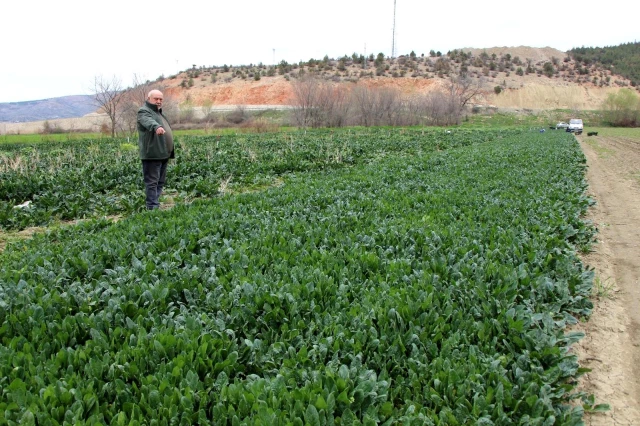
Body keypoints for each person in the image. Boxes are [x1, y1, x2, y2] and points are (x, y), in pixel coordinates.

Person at [137, 89, 175, 210]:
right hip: (152, 153)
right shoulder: (144, 111)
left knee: (160, 182)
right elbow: (148, 121)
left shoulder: (158, 113)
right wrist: (156, 126)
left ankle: (155, 203)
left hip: (163, 153)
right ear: (149, 99)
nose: (158, 101)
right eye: (156, 99)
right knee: (152, 182)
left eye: (160, 99)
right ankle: (152, 207)